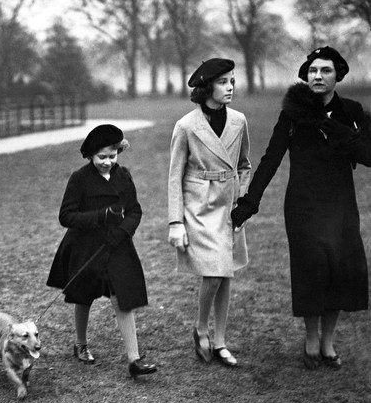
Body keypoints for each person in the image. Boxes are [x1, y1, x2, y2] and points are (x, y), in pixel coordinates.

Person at [231, 46, 371, 370]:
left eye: (325, 71)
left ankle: (328, 343)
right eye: (312, 71)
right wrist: (250, 202)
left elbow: (367, 154)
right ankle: (310, 339)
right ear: (306, 76)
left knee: (338, 271)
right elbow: (271, 158)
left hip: (341, 205)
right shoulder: (292, 114)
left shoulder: (352, 111)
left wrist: (331, 126)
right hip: (303, 206)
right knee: (311, 271)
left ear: (338, 75)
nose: (318, 76)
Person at [47, 124, 157, 378]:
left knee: (122, 297)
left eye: (113, 156)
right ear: (90, 156)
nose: (108, 162)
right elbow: (66, 216)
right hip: (86, 248)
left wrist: (122, 231)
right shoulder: (79, 178)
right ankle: (81, 344)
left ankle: (134, 359)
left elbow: (135, 211)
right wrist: (101, 216)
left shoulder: (124, 176)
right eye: (101, 157)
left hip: (117, 246)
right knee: (83, 296)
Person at [167, 58, 251, 367]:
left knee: (225, 274)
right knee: (216, 271)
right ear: (206, 88)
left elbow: (244, 165)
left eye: (232, 80)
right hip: (198, 207)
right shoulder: (186, 126)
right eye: (223, 82)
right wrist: (176, 222)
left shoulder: (240, 121)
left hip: (229, 207)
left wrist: (242, 201)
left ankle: (220, 342)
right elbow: (174, 176)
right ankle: (201, 327)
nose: (230, 86)